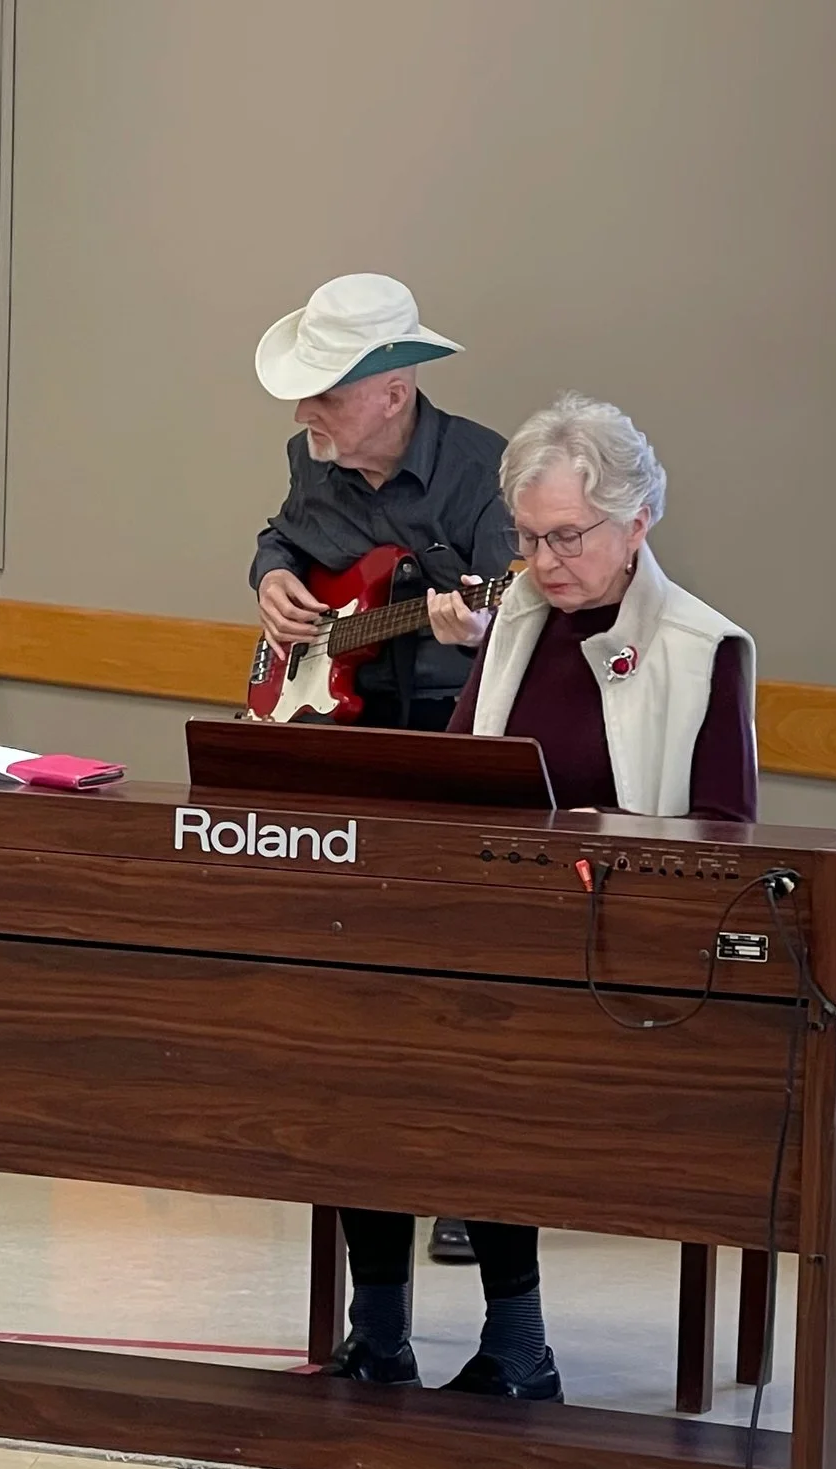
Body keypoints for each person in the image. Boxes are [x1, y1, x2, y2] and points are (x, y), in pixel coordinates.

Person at [328, 394, 758, 1401]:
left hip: (620, 968)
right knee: (354, 1038)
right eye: (525, 536)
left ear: (637, 519)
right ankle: (378, 1333)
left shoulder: (703, 650)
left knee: (481, 1051)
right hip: (496, 937)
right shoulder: (517, 618)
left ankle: (518, 1346)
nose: (542, 560)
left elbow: (724, 846)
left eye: (565, 536)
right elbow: (457, 777)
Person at [253, 272, 519, 1267]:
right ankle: (343, 1149)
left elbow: (515, 607)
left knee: (449, 967)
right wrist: (272, 579)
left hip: (448, 738)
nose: (303, 410)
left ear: (393, 391)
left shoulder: (487, 471)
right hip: (340, 731)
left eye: (324, 390)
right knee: (333, 952)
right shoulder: (311, 459)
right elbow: (282, 534)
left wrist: (475, 622)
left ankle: (459, 1174)